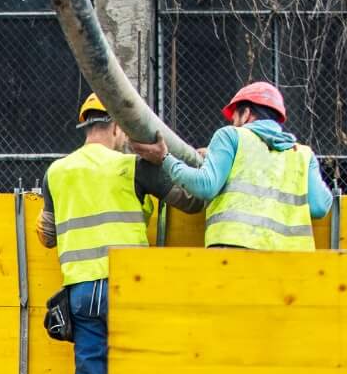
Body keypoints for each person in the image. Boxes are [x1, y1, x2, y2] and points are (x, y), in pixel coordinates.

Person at [41, 93, 180, 374]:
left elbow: (47, 234)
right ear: (118, 127)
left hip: (82, 292)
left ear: (85, 126)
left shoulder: (56, 172)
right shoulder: (131, 168)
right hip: (125, 285)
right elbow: (189, 196)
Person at [132, 80, 331, 251]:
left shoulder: (231, 135)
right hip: (289, 259)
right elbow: (320, 207)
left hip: (234, 249)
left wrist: (165, 159)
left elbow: (205, 186)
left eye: (235, 117)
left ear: (246, 113)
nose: (234, 122)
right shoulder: (303, 154)